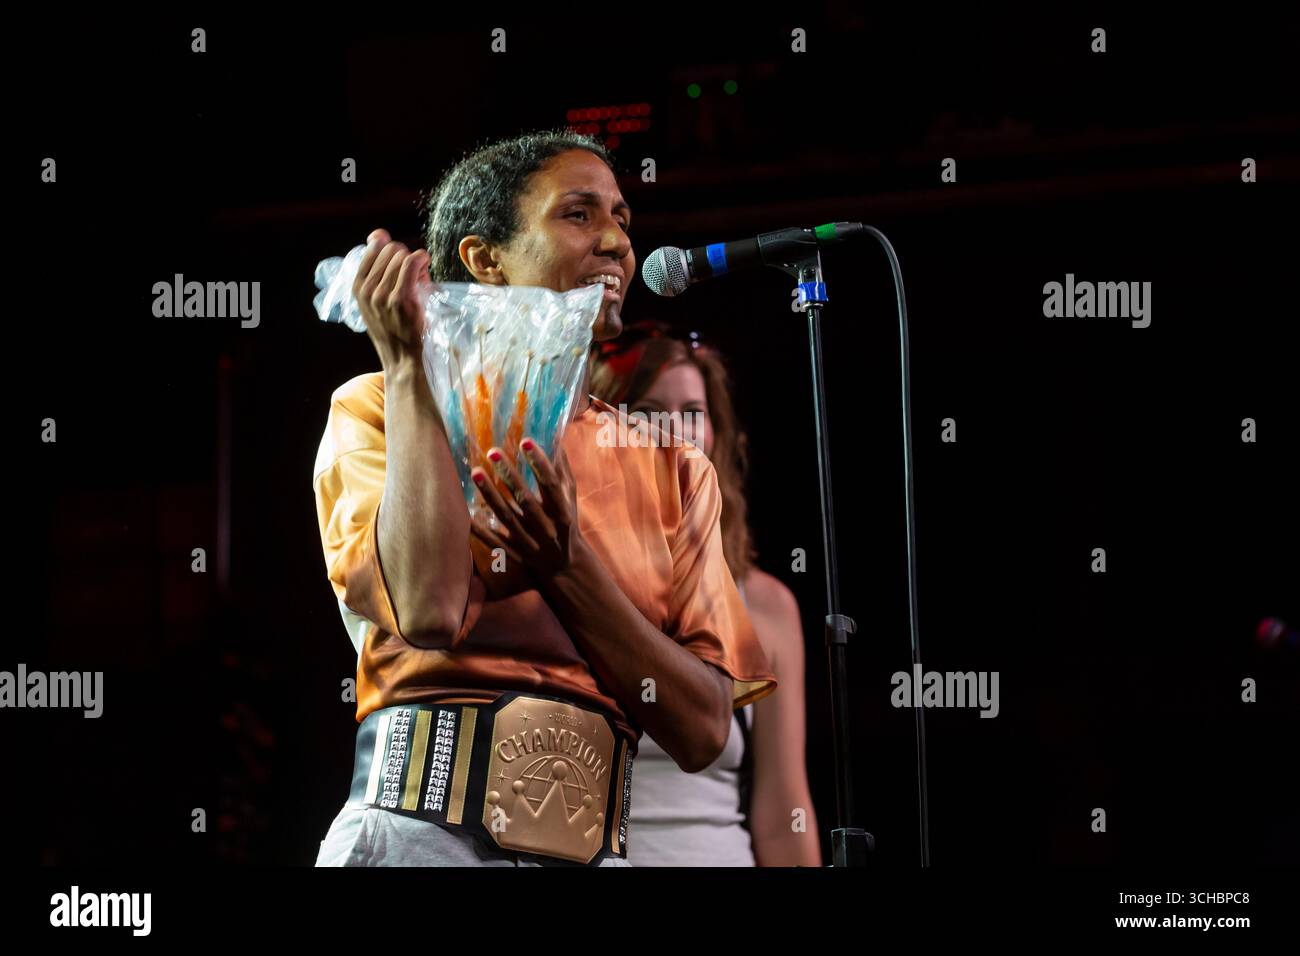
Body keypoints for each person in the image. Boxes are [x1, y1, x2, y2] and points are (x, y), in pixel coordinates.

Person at [311, 130, 777, 867]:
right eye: (579, 215)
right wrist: (406, 368)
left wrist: (568, 569)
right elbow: (429, 610)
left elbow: (703, 730)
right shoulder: (377, 407)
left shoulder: (672, 464)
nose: (618, 244)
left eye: (622, 219)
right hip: (420, 841)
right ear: (484, 259)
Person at [589, 322, 821, 866]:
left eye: (693, 411)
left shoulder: (766, 604)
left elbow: (783, 809)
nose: (675, 431)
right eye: (646, 410)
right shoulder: (566, 579)